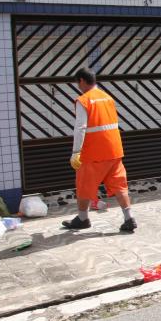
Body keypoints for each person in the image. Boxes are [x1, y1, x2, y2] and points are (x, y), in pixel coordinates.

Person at [63, 67, 136, 232]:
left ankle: (83, 218)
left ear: (82, 80)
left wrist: (76, 152)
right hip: (114, 150)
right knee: (119, 185)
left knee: (84, 185)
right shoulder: (108, 98)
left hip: (94, 153)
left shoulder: (84, 100)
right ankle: (129, 218)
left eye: (78, 83)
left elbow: (80, 127)